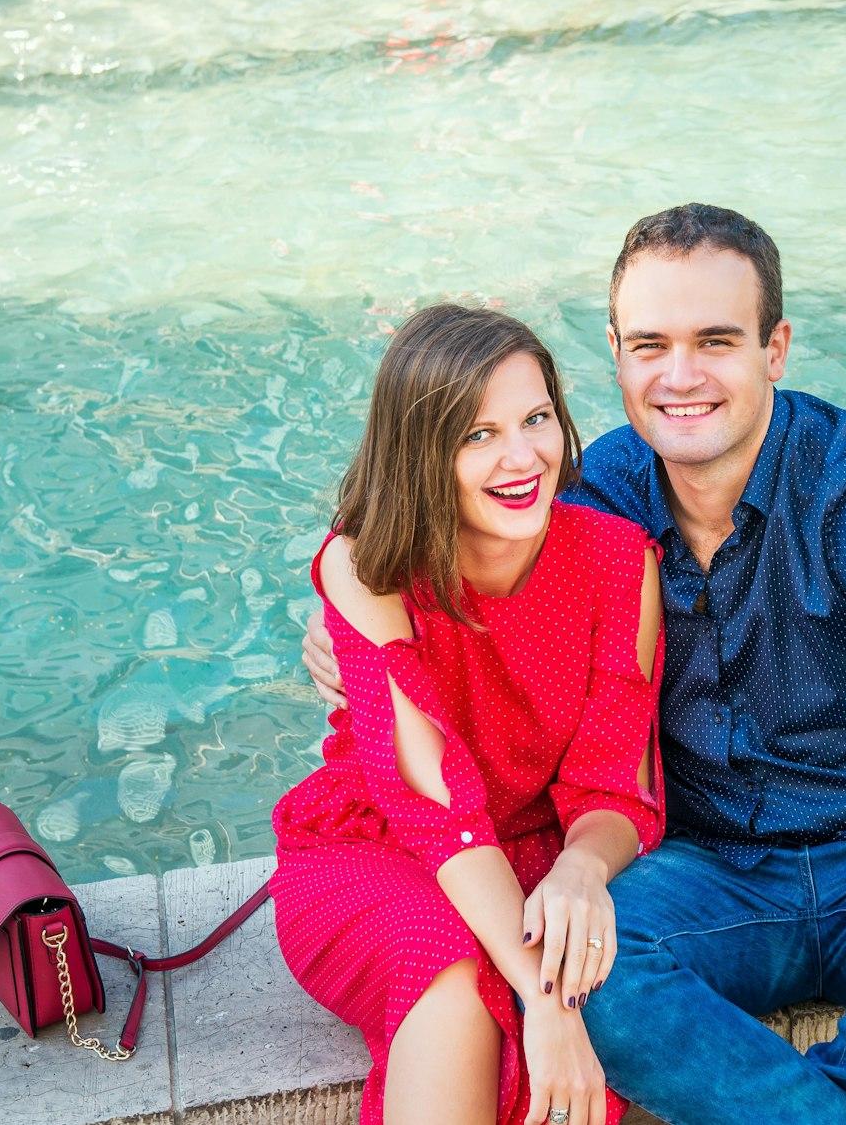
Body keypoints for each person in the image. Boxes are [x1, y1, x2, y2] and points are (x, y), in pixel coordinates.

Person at [307, 206, 846, 1125]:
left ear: (776, 348)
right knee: (582, 963)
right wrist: (345, 639)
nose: (680, 377)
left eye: (716, 340)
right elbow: (441, 555)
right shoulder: (586, 499)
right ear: (616, 355)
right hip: (703, 871)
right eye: (650, 345)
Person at [272, 303, 665, 1125]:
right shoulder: (366, 565)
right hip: (380, 844)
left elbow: (617, 785)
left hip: (537, 855)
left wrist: (580, 869)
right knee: (449, 969)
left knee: (603, 966)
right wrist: (545, 1000)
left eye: (536, 418)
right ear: (422, 452)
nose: (522, 457)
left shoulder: (619, 562)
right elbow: (432, 801)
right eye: (476, 434)